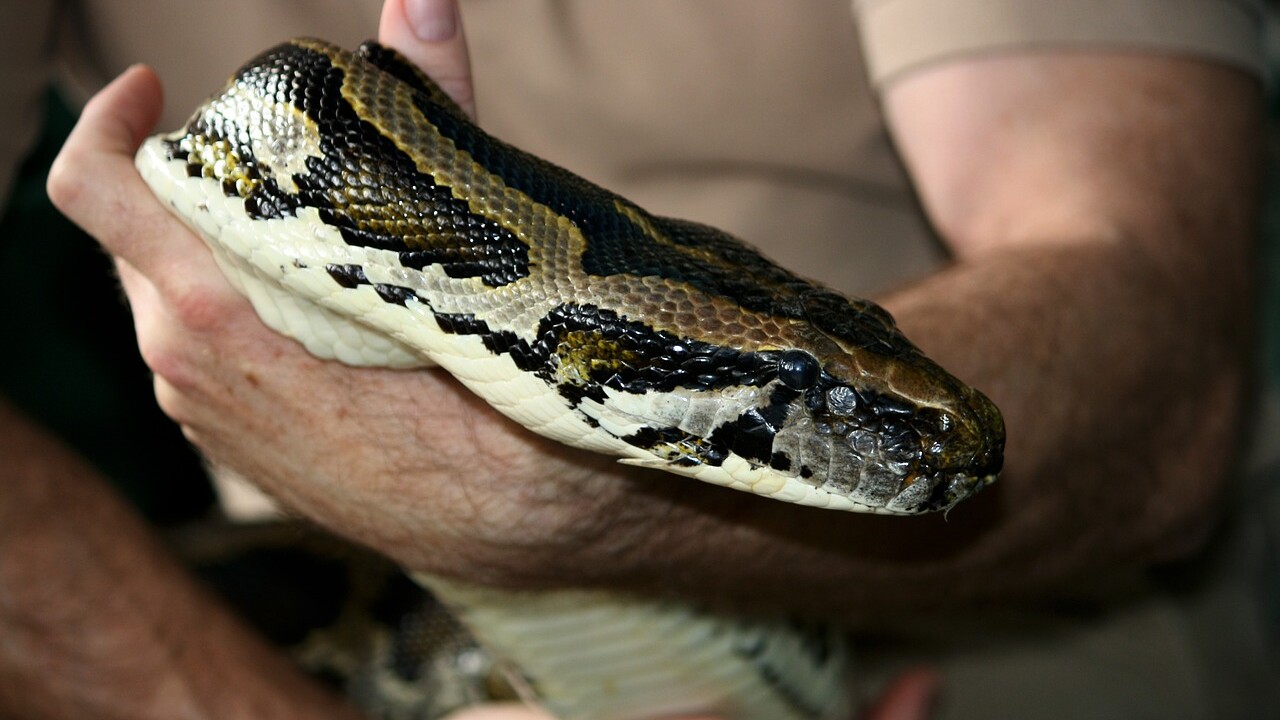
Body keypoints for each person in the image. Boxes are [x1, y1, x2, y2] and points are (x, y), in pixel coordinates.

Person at [4, 0, 1274, 718]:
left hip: (1021, 639)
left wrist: (536, 513)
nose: (917, 431)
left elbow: (1154, 338)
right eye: (792, 394)